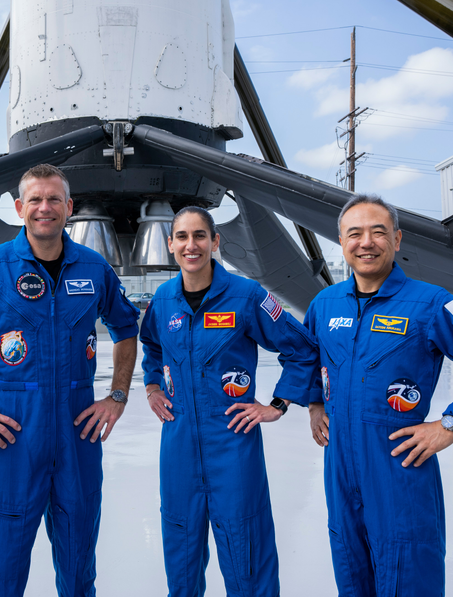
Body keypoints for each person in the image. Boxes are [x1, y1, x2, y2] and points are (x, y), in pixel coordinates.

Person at [0, 164, 140, 596]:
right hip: (13, 433)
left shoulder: (94, 269)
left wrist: (117, 395)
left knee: (79, 568)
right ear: (20, 208)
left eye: (54, 199)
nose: (45, 208)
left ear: (69, 208)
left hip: (78, 432)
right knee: (0, 569)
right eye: (35, 200)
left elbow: (127, 328)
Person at [304, 194, 453, 596]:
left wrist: (451, 424)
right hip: (340, 467)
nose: (366, 242)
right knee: (352, 571)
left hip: (398, 466)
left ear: (398, 240)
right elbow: (307, 356)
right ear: (342, 241)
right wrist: (316, 403)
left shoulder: (432, 303)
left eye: (378, 232)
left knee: (408, 572)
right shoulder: (323, 304)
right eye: (355, 233)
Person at [139, 206, 319, 597]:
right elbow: (151, 346)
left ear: (215, 241)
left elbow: (302, 348)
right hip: (178, 443)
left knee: (246, 549)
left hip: (233, 442)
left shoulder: (247, 296)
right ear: (171, 245)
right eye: (182, 237)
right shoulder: (163, 300)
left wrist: (279, 404)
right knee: (181, 549)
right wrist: (153, 386)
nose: (192, 245)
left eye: (200, 236)